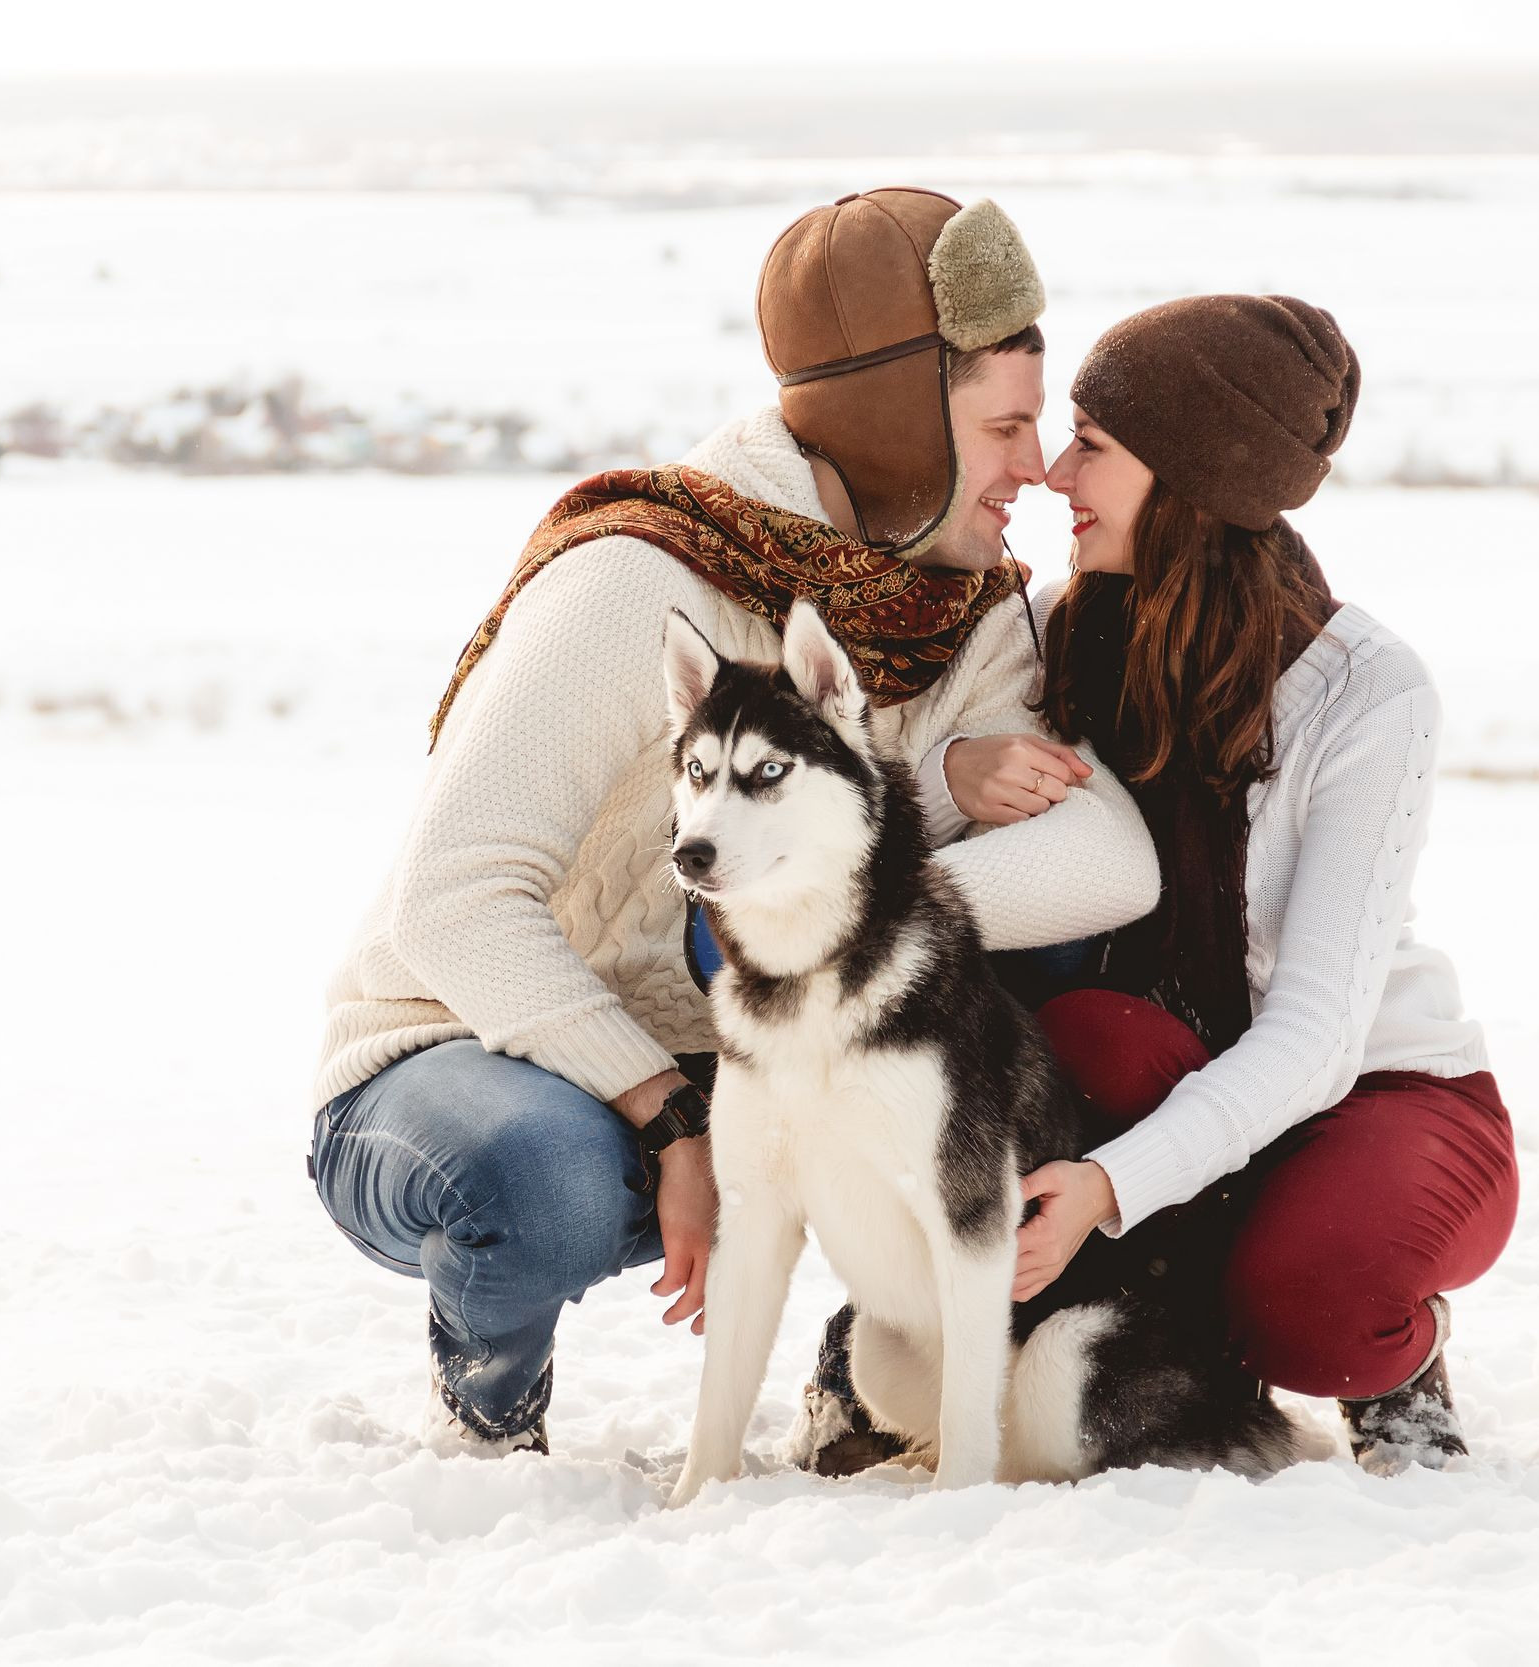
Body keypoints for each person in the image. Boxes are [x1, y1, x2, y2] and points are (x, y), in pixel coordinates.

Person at [306, 188, 1162, 1456]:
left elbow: (1111, 862)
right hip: (465, 1049)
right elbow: (452, 899)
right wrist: (665, 1113)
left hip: (745, 1040)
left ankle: (879, 1357)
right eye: (1003, 426)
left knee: (1015, 980)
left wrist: (890, 846)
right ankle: (487, 1399)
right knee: (541, 1178)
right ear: (895, 427)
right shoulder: (639, 576)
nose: (1033, 471)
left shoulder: (964, 611)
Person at [797, 295, 1519, 1474]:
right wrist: (951, 768)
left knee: (1311, 1311)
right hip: (1156, 1067)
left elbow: (1316, 1033)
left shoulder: (1364, 692)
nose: (1053, 472)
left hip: (1369, 1086)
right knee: (1081, 1032)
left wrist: (1111, 1185)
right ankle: (911, 1331)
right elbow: (881, 804)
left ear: (1189, 479)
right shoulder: (1052, 628)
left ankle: (1395, 1356)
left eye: (1094, 444)